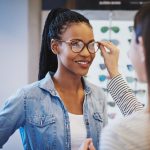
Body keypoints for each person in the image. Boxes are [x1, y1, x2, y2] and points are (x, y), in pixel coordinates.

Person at [0, 8, 143, 150]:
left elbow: (139, 125)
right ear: (55, 47)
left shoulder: (98, 96)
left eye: (91, 45)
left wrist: (114, 71)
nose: (87, 53)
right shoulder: (26, 98)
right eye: (76, 44)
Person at [98, 4, 150, 150]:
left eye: (131, 40)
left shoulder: (119, 136)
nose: (128, 53)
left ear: (141, 45)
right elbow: (139, 114)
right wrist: (114, 71)